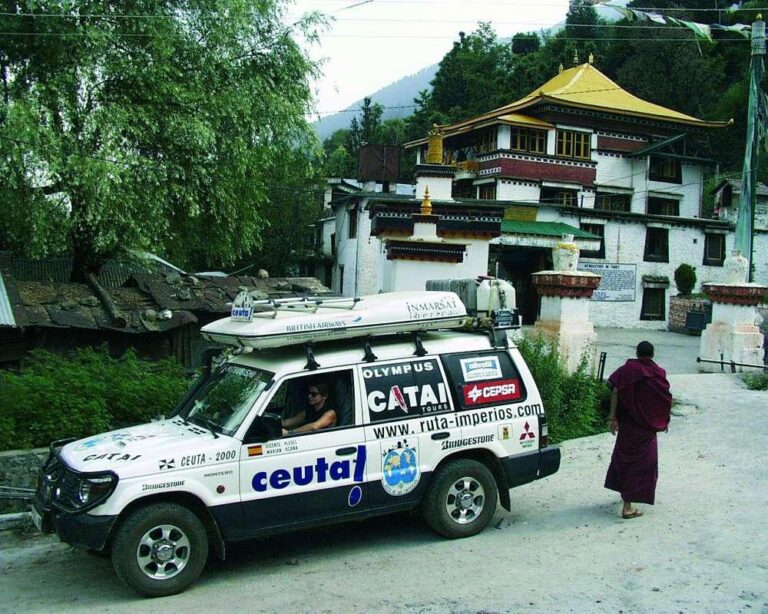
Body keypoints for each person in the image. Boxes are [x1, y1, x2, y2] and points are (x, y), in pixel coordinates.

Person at [604, 341, 672, 519]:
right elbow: (664, 399)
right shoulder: (658, 374)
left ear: (637, 352)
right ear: (653, 354)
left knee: (624, 458)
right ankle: (627, 507)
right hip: (646, 427)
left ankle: (625, 494)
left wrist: (612, 417)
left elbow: (615, 390)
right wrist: (662, 420)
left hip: (628, 425)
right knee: (642, 464)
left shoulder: (628, 370)